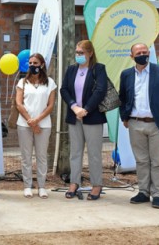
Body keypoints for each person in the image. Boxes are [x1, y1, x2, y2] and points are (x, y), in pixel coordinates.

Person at [119, 43, 159, 209]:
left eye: (145, 51)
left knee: (158, 162)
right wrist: (125, 116)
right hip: (135, 123)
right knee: (141, 161)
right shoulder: (126, 74)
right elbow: (123, 96)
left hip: (158, 124)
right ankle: (143, 191)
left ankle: (158, 194)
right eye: (139, 52)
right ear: (132, 56)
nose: (143, 54)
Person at [60, 40, 107, 201]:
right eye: (77, 52)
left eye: (81, 52)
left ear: (90, 53)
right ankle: (74, 182)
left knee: (94, 154)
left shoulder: (98, 69)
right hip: (75, 116)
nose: (78, 55)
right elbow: (64, 89)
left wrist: (85, 109)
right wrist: (74, 107)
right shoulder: (72, 69)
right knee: (75, 152)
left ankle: (96, 185)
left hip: (92, 117)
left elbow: (100, 91)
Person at [15, 53, 56, 199]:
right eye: (30, 63)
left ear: (42, 65)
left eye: (35, 63)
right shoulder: (22, 82)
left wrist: (37, 120)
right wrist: (30, 121)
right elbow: (19, 104)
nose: (32, 66)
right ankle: (27, 186)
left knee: (41, 156)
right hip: (24, 124)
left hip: (43, 125)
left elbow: (50, 105)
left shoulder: (50, 82)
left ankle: (42, 186)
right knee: (26, 156)